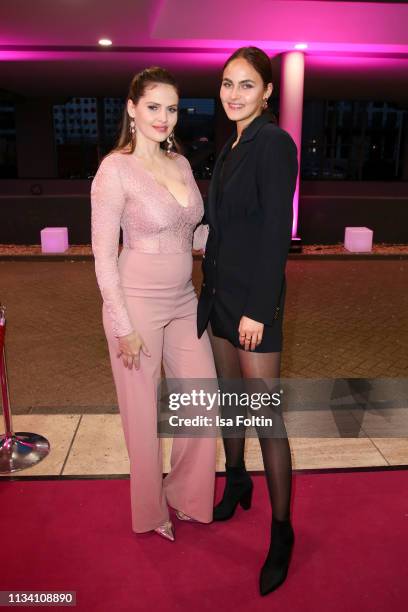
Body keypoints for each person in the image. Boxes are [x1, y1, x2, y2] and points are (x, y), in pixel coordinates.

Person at [91, 67, 217, 542]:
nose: (164, 118)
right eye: (154, 107)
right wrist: (122, 325)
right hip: (135, 300)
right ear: (132, 108)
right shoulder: (114, 169)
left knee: (202, 400)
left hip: (185, 299)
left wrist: (231, 240)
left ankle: (185, 493)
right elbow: (103, 256)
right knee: (142, 415)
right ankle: (150, 511)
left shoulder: (181, 163)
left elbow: (192, 230)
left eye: (172, 108)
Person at [197, 47, 298, 595]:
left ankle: (282, 533)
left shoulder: (273, 144)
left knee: (266, 419)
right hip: (219, 299)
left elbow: (277, 231)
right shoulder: (232, 145)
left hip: (253, 305)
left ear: (267, 92)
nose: (234, 94)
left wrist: (259, 309)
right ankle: (236, 482)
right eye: (227, 84)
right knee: (229, 398)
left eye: (246, 85)